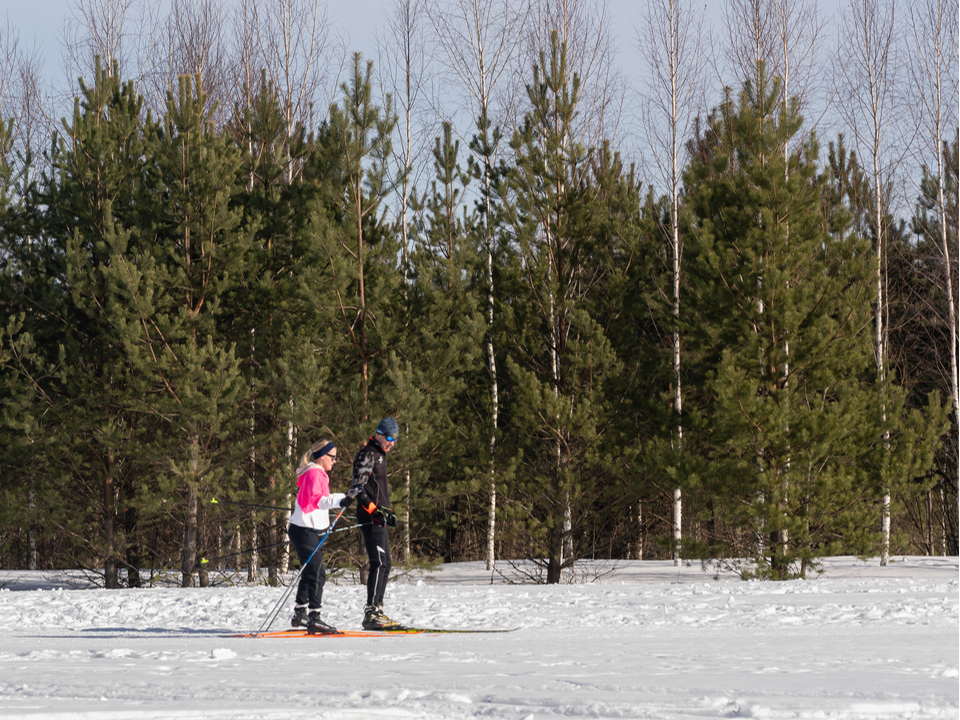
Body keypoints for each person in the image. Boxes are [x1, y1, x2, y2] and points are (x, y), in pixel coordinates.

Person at [288, 439, 348, 634]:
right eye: (333, 457)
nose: (335, 461)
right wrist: (341, 499)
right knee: (317, 572)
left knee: (310, 571)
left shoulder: (315, 472)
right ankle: (314, 617)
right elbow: (317, 501)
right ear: (323, 456)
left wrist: (342, 497)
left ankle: (300, 612)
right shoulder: (315, 473)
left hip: (304, 529)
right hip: (304, 530)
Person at [350, 417, 400, 630]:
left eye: (395, 439)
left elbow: (376, 489)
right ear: (379, 433)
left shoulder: (379, 454)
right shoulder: (368, 453)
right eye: (389, 438)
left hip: (379, 517)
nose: (392, 443)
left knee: (386, 563)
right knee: (379, 562)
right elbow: (358, 488)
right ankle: (371, 613)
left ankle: (377, 609)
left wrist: (387, 512)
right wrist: (374, 510)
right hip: (369, 517)